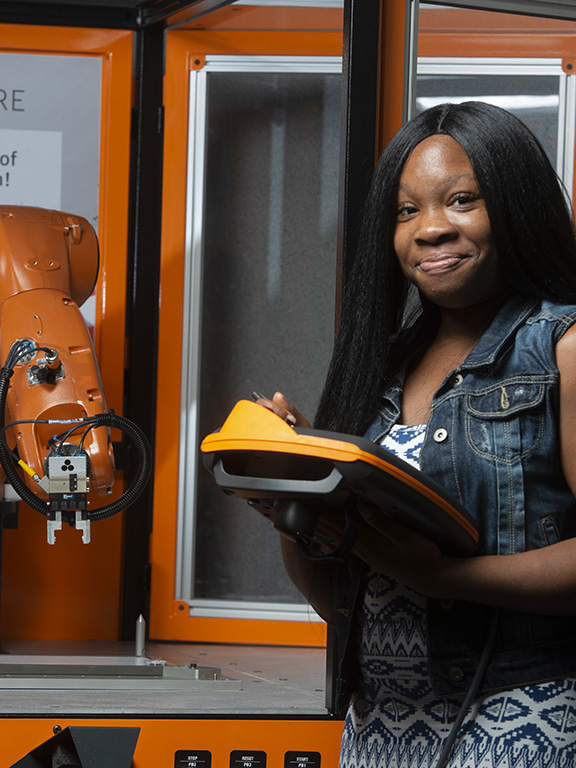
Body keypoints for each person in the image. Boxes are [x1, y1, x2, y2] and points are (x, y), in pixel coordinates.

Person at [256, 101, 576, 767]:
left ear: (517, 204)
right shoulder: (378, 371)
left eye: (462, 200)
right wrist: (296, 504)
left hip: (523, 718)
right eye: (406, 211)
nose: (430, 229)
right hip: (379, 726)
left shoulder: (562, 349)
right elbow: (337, 597)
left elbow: (422, 575)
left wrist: (445, 576)